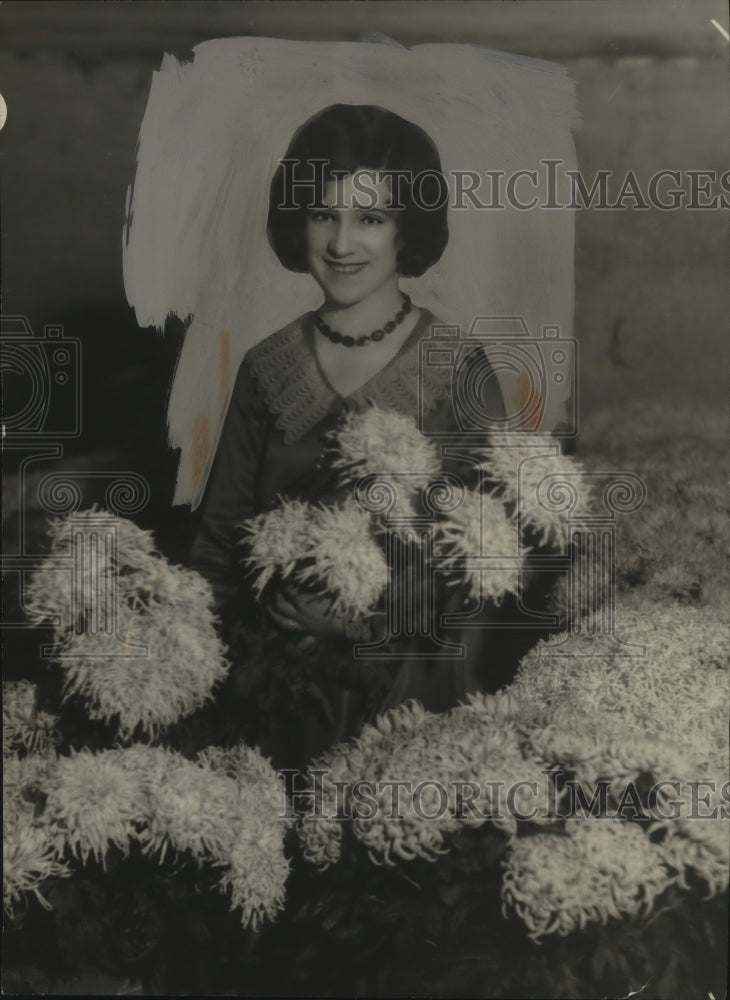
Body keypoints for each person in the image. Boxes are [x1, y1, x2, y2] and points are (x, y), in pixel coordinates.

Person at [191, 104, 506, 768]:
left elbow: (490, 563)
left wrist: (360, 628)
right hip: (273, 695)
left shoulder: (457, 368)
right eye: (322, 214)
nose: (341, 243)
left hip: (413, 693)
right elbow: (220, 544)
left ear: (405, 231)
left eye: (370, 218)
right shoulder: (266, 366)